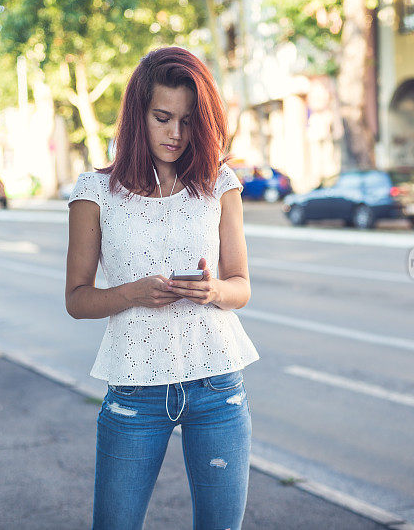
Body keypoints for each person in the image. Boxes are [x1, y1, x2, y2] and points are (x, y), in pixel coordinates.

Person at [64, 46, 259, 530]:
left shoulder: (219, 183)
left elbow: (241, 286)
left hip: (218, 386)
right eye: (162, 117)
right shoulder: (94, 192)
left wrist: (213, 290)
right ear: (137, 115)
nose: (176, 134)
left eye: (189, 121)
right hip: (135, 391)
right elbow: (77, 299)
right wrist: (131, 293)